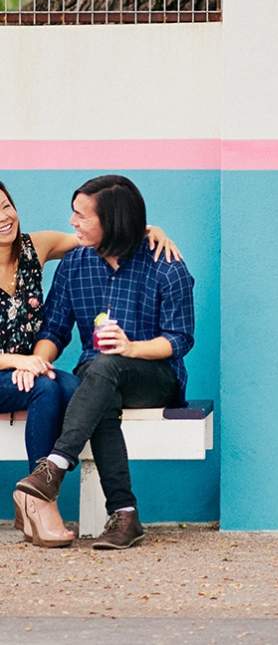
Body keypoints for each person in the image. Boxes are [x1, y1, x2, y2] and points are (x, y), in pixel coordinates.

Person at [15, 175, 195, 551]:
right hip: (98, 382)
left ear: (110, 222)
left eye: (81, 215)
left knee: (103, 369)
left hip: (154, 378)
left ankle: (55, 466)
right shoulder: (75, 265)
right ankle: (125, 515)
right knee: (99, 388)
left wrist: (130, 348)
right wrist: (37, 361)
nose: (72, 222)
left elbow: (179, 339)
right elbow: (54, 328)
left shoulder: (166, 266)